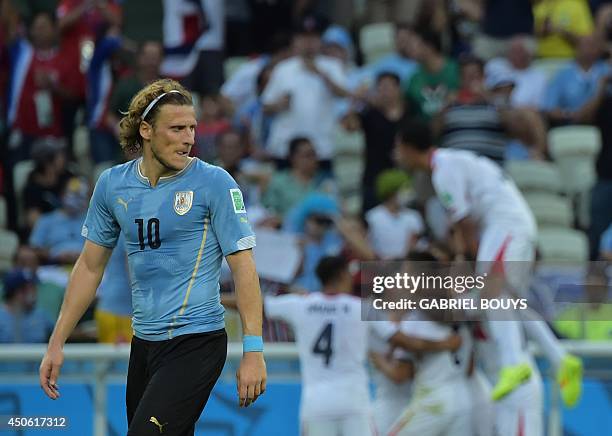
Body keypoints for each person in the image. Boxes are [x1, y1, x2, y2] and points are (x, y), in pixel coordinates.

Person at [38, 79, 267, 435]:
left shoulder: (215, 183)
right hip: (143, 344)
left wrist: (253, 349)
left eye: (192, 128)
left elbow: (244, 266)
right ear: (146, 130)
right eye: (176, 129)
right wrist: (56, 343)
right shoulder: (113, 185)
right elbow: (89, 266)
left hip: (197, 341)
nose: (188, 138)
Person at [394, 121, 584, 424]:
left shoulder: (443, 172)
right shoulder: (449, 163)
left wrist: (464, 260)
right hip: (509, 223)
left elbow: (464, 224)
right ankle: (561, 359)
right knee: (507, 301)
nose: (395, 155)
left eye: (397, 148)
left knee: (492, 294)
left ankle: (513, 363)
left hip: (505, 224)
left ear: (406, 147)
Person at [261, 256, 462, 436]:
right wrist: (445, 343)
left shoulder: (299, 305)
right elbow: (404, 340)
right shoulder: (362, 308)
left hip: (316, 402)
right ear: (341, 275)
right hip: (354, 400)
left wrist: (227, 303)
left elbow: (255, 304)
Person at [261, 14, 349, 164]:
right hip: (286, 147)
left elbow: (344, 94)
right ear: (295, 41)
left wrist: (321, 75)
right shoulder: (283, 68)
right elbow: (265, 106)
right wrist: (279, 105)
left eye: (313, 38)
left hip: (321, 147)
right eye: (304, 38)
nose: (309, 43)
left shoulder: (332, 66)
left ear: (320, 41)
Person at [262, 137, 335, 221]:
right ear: (293, 158)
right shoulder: (278, 181)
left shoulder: (324, 183)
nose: (313, 159)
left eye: (314, 154)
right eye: (307, 155)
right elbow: (268, 211)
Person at [542, 33, 609, 125]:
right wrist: (570, 114)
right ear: (577, 48)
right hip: (570, 121)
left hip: (603, 121)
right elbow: (549, 108)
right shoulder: (563, 75)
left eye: (594, 45)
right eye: (586, 45)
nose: (590, 49)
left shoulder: (607, 71)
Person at [29, 177, 89, 266]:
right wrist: (53, 255)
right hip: (53, 267)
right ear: (62, 195)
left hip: (86, 268)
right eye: (73, 195)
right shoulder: (46, 220)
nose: (78, 200)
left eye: (81, 196)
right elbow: (34, 248)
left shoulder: (93, 221)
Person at [402, 28, 460, 121]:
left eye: (414, 45)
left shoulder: (455, 69)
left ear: (429, 47)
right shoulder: (414, 77)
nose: (409, 49)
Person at [365, 170, 424, 260]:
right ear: (392, 192)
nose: (408, 194)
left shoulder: (413, 216)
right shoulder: (373, 216)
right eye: (404, 190)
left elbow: (413, 244)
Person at [485, 35, 549, 109]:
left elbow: (538, 105)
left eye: (518, 51)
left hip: (522, 113)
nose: (512, 54)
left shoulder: (539, 77)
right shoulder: (495, 64)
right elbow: (486, 88)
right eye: (511, 50)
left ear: (529, 54)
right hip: (490, 108)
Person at [0, 268, 53, 343]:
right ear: (15, 292)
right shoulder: (1, 316)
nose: (34, 293)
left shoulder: (41, 315)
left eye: (34, 288)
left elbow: (63, 335)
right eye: (29, 289)